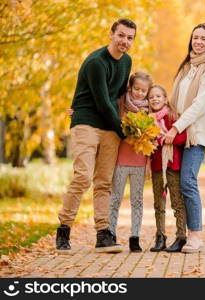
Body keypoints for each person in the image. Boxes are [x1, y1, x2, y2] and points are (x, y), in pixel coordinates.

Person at [56, 18, 136, 254]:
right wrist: (125, 132)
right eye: (121, 35)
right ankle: (63, 231)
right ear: (111, 34)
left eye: (129, 38)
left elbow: (120, 97)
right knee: (82, 177)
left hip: (110, 127)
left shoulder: (127, 61)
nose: (124, 41)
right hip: (87, 122)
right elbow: (102, 102)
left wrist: (136, 123)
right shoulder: (96, 62)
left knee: (104, 182)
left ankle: (103, 234)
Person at [163, 23, 205, 253]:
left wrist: (176, 128)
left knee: (188, 181)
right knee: (176, 184)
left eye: (203, 38)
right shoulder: (187, 66)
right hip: (178, 133)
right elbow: (174, 100)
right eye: (195, 38)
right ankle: (181, 235)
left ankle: (196, 236)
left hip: (196, 134)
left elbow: (200, 105)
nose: (198, 42)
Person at [108, 72, 153, 253]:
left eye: (143, 91)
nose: (139, 93)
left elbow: (152, 139)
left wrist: (149, 163)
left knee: (137, 201)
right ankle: (110, 234)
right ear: (130, 87)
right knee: (115, 199)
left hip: (139, 162)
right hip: (120, 160)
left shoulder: (149, 111)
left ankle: (135, 237)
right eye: (136, 89)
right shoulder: (120, 104)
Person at [148, 85, 188, 252]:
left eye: (158, 96)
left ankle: (181, 237)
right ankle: (160, 236)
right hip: (157, 166)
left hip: (173, 165)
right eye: (151, 97)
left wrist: (165, 139)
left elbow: (183, 137)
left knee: (177, 202)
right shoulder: (148, 120)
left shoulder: (172, 117)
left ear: (165, 99)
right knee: (159, 203)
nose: (155, 99)